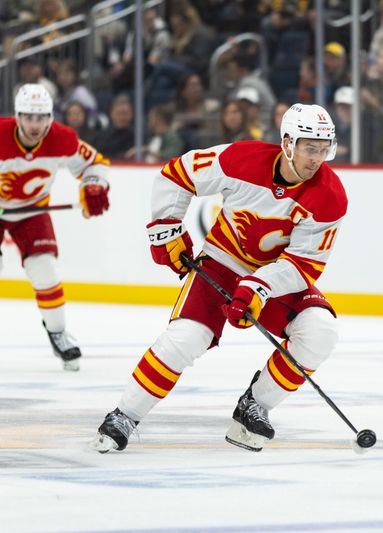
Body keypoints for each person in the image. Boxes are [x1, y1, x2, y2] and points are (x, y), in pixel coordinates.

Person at [90, 103, 347, 454]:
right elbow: (175, 174)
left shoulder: (330, 195)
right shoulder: (240, 159)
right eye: (309, 148)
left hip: (273, 279)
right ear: (287, 143)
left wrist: (258, 287)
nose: (317, 158)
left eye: (323, 149)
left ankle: (254, 407)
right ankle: (125, 415)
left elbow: (303, 263)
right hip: (220, 264)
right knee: (186, 338)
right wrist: (167, 227)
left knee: (320, 331)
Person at [0, 84, 110, 371]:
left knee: (45, 270)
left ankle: (58, 332)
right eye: (29, 117)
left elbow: (95, 165)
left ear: (50, 117)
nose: (35, 125)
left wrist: (93, 185)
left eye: (41, 118)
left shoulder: (62, 139)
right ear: (17, 116)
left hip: (33, 210)